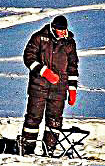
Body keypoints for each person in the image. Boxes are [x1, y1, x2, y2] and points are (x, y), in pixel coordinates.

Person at [21, 15, 78, 154]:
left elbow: (72, 67)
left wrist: (72, 89)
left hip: (59, 90)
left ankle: (49, 149)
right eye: (60, 30)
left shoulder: (69, 43)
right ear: (53, 28)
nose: (63, 33)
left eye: (65, 30)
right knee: (33, 118)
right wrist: (44, 72)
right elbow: (28, 57)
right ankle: (27, 149)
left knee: (54, 121)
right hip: (38, 87)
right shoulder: (39, 38)